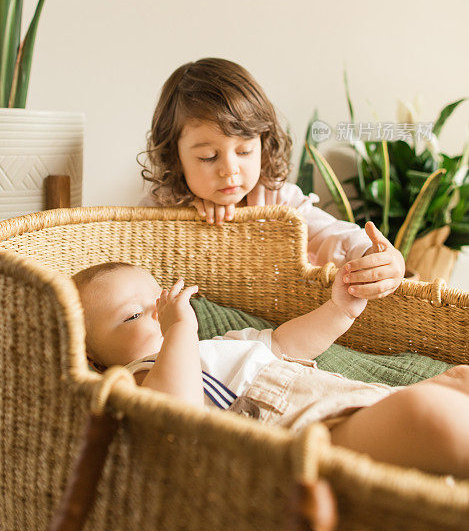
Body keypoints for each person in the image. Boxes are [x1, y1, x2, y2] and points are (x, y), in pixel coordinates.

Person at [73, 254, 469, 479]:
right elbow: (177, 418)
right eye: (132, 316)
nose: (158, 312)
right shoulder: (141, 375)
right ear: (95, 358)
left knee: (457, 381)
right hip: (310, 437)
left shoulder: (220, 346)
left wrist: (340, 309)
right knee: (430, 416)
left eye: (157, 298)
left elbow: (285, 342)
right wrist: (179, 329)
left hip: (359, 403)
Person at [140, 57, 405, 300]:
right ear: (174, 157)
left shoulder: (279, 200)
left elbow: (332, 235)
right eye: (208, 157)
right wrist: (186, 217)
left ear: (263, 143)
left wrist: (374, 256)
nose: (229, 169)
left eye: (244, 151)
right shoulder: (161, 208)